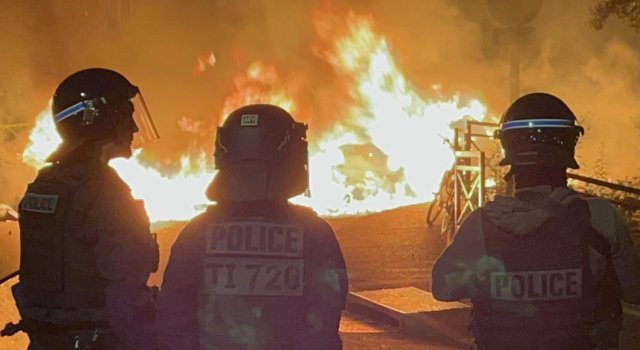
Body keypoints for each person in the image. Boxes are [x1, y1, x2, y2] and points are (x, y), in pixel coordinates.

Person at [431, 92, 640, 350]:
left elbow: (442, 288)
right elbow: (635, 291)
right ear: (568, 147)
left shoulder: (482, 225)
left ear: (509, 152)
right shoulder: (599, 219)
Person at [157, 104, 348, 350]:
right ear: (292, 154)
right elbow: (325, 319)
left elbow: (174, 316)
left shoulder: (197, 233)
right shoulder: (315, 234)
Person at [5, 68, 161, 350]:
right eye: (125, 114)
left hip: (46, 340)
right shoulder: (103, 190)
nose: (134, 127)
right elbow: (123, 290)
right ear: (95, 117)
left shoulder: (45, 183)